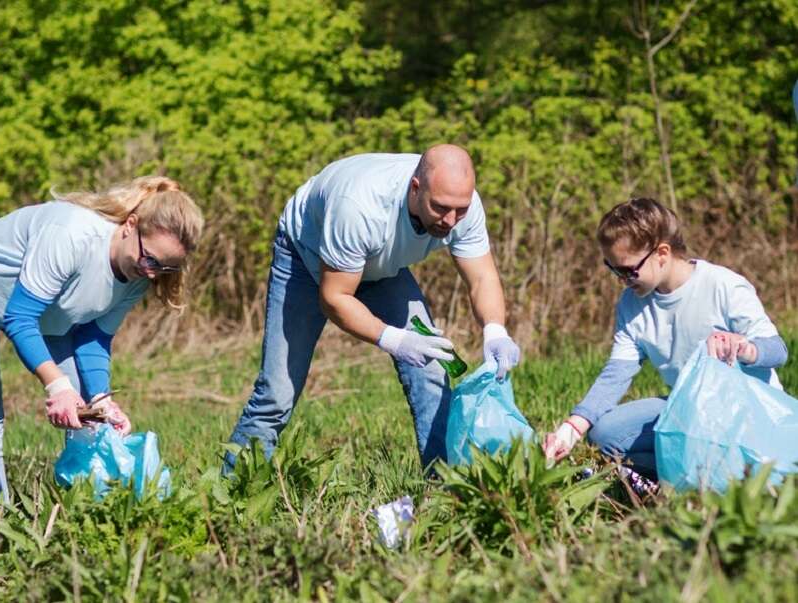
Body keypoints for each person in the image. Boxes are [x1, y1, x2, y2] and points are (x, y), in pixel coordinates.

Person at [224, 144, 521, 472]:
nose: (451, 221)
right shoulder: (360, 206)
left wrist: (495, 331)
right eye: (440, 208)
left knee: (432, 372)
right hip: (305, 257)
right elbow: (335, 298)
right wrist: (395, 340)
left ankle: (444, 490)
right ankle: (235, 495)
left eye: (459, 210)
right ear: (415, 188)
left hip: (378, 267)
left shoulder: (463, 206)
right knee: (276, 395)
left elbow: (481, 277)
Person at [0, 176, 203, 505]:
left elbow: (93, 333)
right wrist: (56, 386)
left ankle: (87, 512)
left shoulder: (138, 274)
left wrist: (100, 398)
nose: (153, 274)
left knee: (87, 417)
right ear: (131, 225)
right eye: (151, 260)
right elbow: (19, 317)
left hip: (44, 313)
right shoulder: (72, 235)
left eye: (166, 268)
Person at [542, 197, 788, 485]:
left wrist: (745, 347)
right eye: (613, 269)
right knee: (606, 433)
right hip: (688, 410)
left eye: (628, 270)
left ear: (662, 253)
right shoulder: (631, 305)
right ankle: (671, 477)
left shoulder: (724, 286)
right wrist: (571, 429)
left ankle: (716, 475)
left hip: (747, 414)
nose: (622, 279)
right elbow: (616, 375)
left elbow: (778, 351)